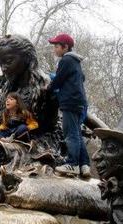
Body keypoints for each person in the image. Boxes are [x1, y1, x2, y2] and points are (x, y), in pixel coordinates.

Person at [47, 33, 90, 177]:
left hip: (70, 102)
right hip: (79, 102)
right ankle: (84, 165)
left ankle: (72, 164)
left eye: (56, 46)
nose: (54, 49)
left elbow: (58, 80)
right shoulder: (76, 62)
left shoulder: (66, 60)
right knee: (76, 133)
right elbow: (81, 78)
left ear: (65, 47)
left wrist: (48, 88)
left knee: (70, 133)